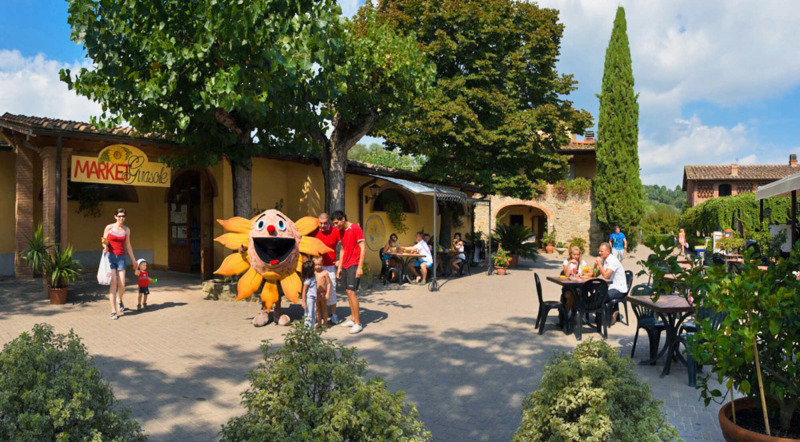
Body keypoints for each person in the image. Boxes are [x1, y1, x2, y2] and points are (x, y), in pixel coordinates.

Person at [332, 210, 365, 334]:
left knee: (352, 292)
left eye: (337, 223)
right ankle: (353, 319)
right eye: (334, 224)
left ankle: (358, 323)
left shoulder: (355, 228)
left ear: (343, 219)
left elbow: (363, 248)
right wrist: (339, 267)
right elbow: (342, 249)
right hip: (345, 264)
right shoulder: (341, 232)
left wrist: (360, 267)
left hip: (354, 264)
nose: (336, 226)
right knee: (347, 292)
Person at [102, 208, 137, 320]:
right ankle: (113, 311)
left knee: (122, 285)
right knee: (114, 283)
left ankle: (119, 299)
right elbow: (104, 240)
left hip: (121, 258)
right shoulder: (109, 227)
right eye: (119, 216)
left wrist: (133, 260)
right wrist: (105, 247)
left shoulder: (126, 230)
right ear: (115, 217)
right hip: (110, 257)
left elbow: (128, 245)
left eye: (123, 216)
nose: (121, 218)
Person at [315, 212, 341, 324]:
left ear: (329, 222)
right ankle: (318, 315)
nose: (322, 226)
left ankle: (334, 314)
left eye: (325, 223)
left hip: (330, 265)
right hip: (316, 266)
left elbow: (342, 244)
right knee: (316, 290)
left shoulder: (335, 231)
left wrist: (340, 259)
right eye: (320, 223)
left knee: (332, 290)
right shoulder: (313, 231)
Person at [594, 243, 628, 324]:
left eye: (601, 251)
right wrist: (595, 265)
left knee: (601, 296)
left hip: (619, 289)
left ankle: (610, 314)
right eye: (599, 251)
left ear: (608, 251)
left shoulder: (613, 260)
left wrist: (599, 264)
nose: (599, 253)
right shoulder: (604, 260)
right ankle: (601, 316)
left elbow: (605, 276)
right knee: (595, 295)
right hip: (610, 287)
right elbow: (595, 274)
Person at [301, 258, 319, 329]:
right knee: (309, 314)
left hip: (314, 298)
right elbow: (304, 291)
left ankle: (311, 328)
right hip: (309, 299)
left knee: (313, 313)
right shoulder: (307, 280)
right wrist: (303, 301)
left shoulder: (313, 277)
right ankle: (307, 329)